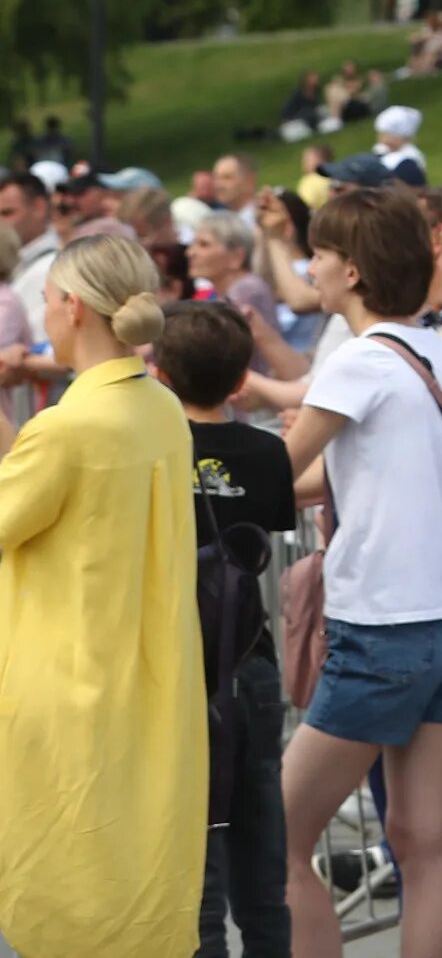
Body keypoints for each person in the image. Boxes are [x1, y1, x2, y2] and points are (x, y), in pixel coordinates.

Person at [280, 189, 442, 958]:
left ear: (352, 270)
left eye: (321, 255)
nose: (312, 268)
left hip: (382, 633)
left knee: (282, 840)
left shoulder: (357, 360)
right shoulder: (435, 350)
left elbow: (282, 468)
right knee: (424, 845)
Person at [0, 233, 205, 958]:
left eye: (49, 302)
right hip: (145, 692)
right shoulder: (162, 409)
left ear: (75, 308)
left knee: (60, 908)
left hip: (66, 697)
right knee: (135, 890)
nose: (44, 319)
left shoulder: (66, 430)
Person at [158, 302, 298, 958]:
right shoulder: (268, 453)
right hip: (251, 663)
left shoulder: (152, 453)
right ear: (242, 378)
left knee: (197, 862)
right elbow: (272, 516)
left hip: (178, 665)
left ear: (158, 371)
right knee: (262, 853)